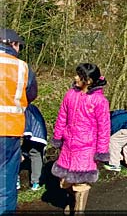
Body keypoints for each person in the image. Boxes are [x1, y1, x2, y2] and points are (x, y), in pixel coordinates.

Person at [51, 63, 110, 214]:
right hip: (68, 145)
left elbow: (104, 128)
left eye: (79, 75)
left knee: (81, 183)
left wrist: (101, 151)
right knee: (65, 181)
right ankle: (71, 203)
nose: (75, 78)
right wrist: (57, 137)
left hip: (86, 148)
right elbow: (61, 117)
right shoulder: (70, 94)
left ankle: (79, 211)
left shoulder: (100, 101)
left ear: (89, 80)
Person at [0, 28, 38, 214]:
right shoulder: (22, 67)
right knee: (6, 179)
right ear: (13, 45)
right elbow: (31, 94)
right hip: (10, 130)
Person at [22, 104, 47, 191]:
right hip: (37, 133)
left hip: (32, 134)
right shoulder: (31, 108)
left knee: (33, 153)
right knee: (34, 154)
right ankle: (35, 182)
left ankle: (34, 181)